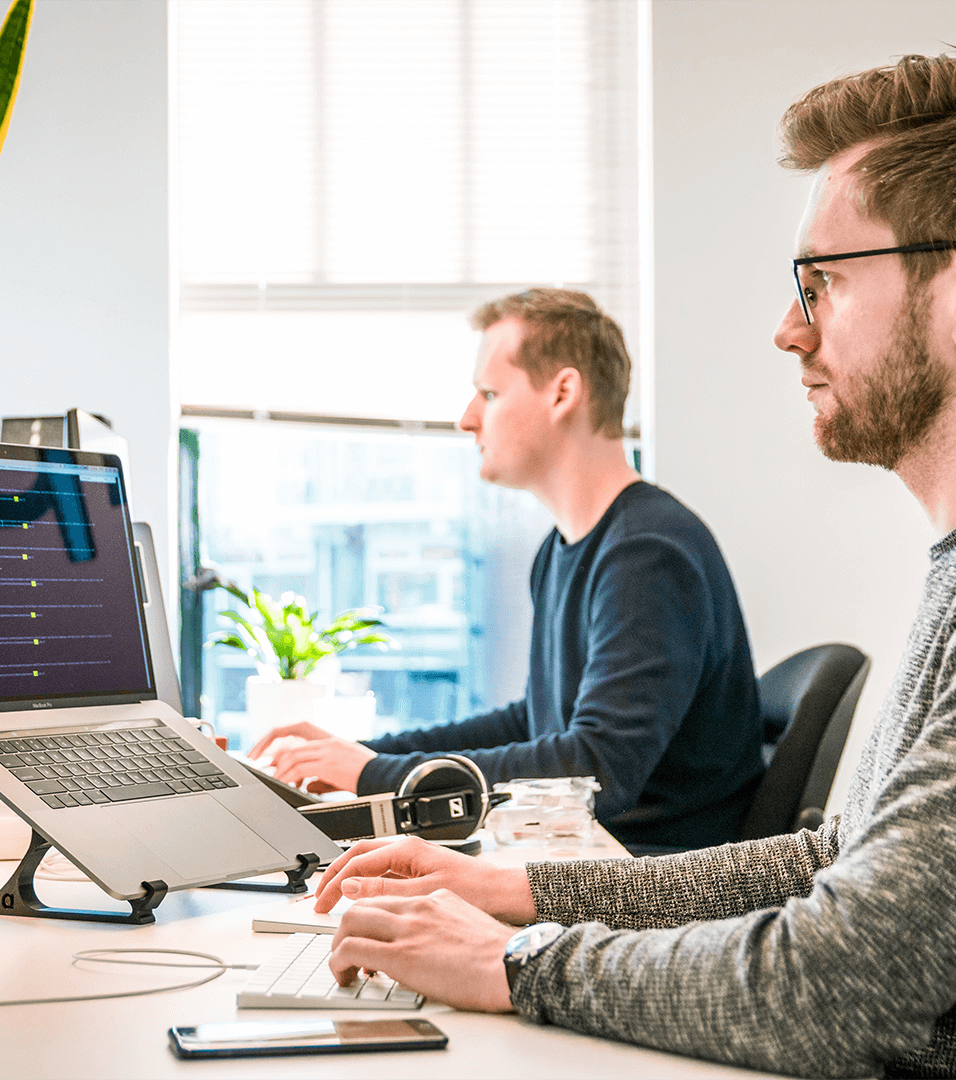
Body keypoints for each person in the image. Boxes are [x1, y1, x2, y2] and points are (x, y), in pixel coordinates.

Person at [302, 47, 956, 1077]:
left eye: (823, 283)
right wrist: (523, 893)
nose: (787, 329)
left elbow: (837, 984)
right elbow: (833, 862)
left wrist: (516, 962)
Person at [249, 288, 764, 854]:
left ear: (562, 393)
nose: (467, 418)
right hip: (583, 855)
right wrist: (364, 755)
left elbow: (597, 772)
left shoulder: (648, 555)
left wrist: (377, 776)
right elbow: (534, 723)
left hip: (647, 880)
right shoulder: (564, 549)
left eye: (489, 393)